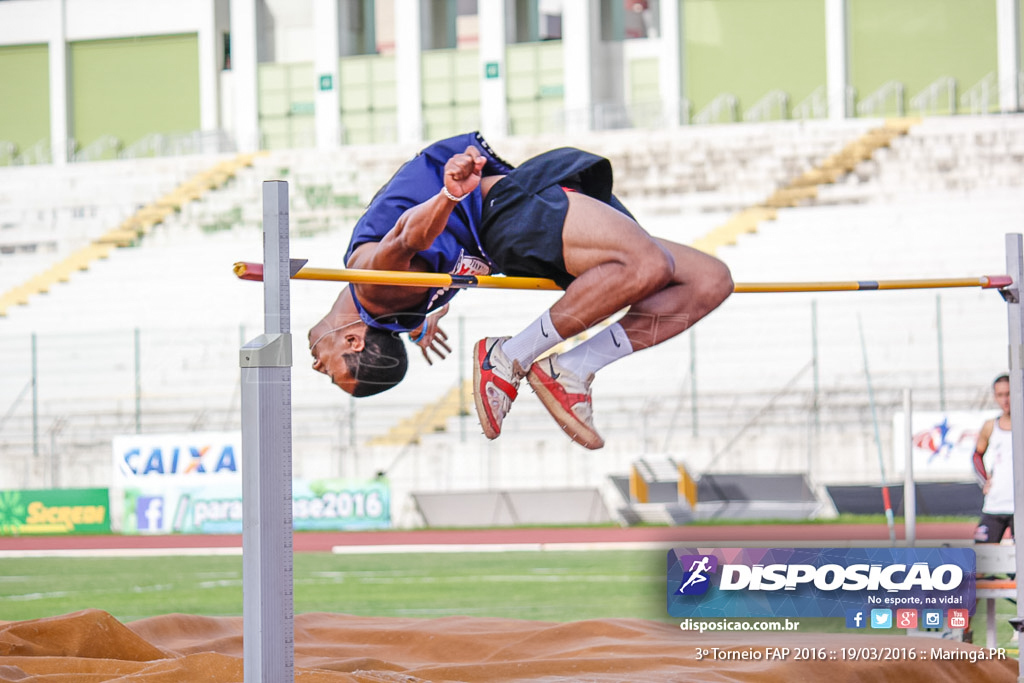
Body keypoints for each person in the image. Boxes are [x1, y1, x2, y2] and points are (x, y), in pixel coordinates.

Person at [308, 132, 733, 449]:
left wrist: (446, 198)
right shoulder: (390, 304)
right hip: (511, 218)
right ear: (353, 339)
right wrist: (447, 199)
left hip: (512, 220)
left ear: (352, 337)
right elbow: (411, 248)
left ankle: (558, 365)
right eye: (330, 373)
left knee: (707, 280)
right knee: (650, 266)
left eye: (329, 373)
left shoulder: (375, 288)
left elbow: (406, 240)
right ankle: (527, 359)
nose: (316, 368)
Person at [973, 374, 1014, 544]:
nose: (1005, 400)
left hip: (1020, 507)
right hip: (995, 505)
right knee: (980, 563)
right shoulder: (990, 426)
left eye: (1009, 394)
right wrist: (984, 480)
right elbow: (976, 455)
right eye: (1000, 395)